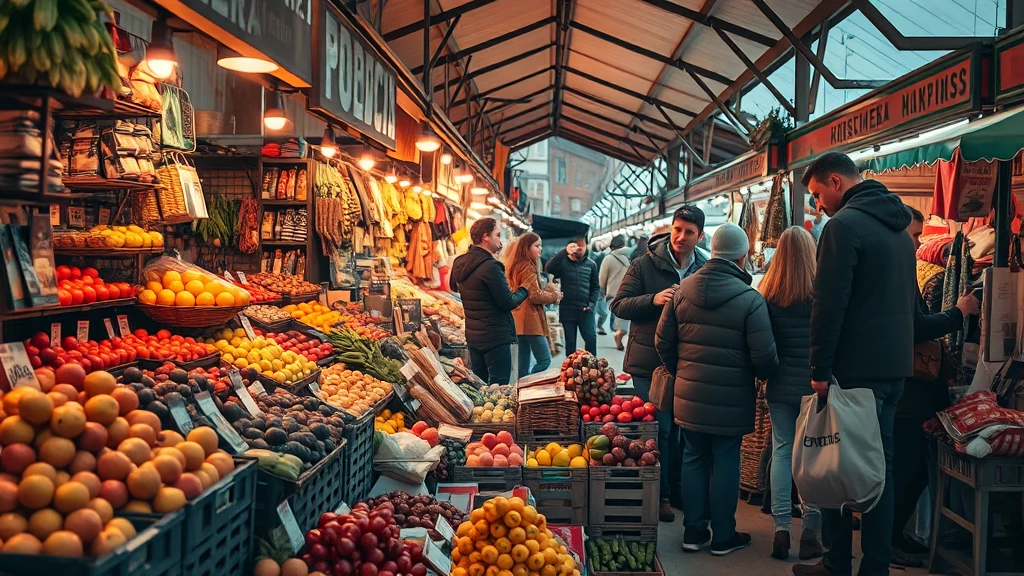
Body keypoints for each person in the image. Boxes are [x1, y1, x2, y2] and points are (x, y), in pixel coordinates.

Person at [793, 152, 917, 576]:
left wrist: (819, 371)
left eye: (817, 194)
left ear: (835, 181)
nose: (818, 205)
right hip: (894, 369)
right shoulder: (901, 231)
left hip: (854, 370)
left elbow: (828, 308)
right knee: (880, 470)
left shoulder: (842, 227)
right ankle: (875, 567)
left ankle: (836, 564)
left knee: (837, 465)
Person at [655, 222, 778, 556]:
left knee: (693, 458)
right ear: (742, 256)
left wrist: (681, 372)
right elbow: (765, 356)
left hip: (689, 397)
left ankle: (693, 533)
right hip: (732, 397)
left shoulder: (681, 290)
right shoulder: (750, 299)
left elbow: (662, 341)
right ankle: (723, 535)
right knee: (725, 460)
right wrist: (754, 376)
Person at [890, 207, 979, 568]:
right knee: (908, 472)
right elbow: (915, 327)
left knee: (911, 472)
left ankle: (895, 537)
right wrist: (959, 312)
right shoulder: (898, 274)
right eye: (914, 235)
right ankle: (891, 540)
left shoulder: (904, 271)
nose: (919, 242)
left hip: (912, 391)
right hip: (908, 392)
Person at [611, 206, 708, 522]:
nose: (681, 237)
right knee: (661, 429)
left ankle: (677, 488)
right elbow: (619, 305)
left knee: (683, 430)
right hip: (649, 363)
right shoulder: (643, 265)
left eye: (688, 232)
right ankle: (661, 494)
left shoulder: (704, 268)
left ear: (699, 236)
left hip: (688, 362)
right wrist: (653, 300)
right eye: (677, 229)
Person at [757, 226, 823, 561]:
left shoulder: (767, 293)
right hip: (814, 388)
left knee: (782, 452)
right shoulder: (821, 292)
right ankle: (811, 524)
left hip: (780, 385)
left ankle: (781, 529)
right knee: (812, 455)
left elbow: (763, 346)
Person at [450, 218, 528, 385]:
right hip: (495, 338)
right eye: (497, 235)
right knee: (499, 387)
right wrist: (524, 290)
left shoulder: (459, 262)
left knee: (480, 385)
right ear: (486, 237)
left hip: (473, 337)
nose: (500, 240)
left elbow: (454, 287)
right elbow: (508, 302)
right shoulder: (491, 266)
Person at [505, 233, 563, 376]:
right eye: (537, 246)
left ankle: (521, 390)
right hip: (530, 319)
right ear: (526, 248)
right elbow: (534, 295)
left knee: (523, 362)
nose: (540, 249)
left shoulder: (517, 265)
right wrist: (554, 295)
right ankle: (528, 385)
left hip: (519, 318)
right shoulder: (528, 267)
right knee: (544, 360)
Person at [545, 237, 600, 355]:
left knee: (591, 339)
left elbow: (596, 287)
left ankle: (592, 369)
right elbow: (548, 268)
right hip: (567, 310)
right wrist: (564, 252)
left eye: (582, 246)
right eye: (576, 246)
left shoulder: (591, 265)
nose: (580, 248)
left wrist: (591, 305)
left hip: (586, 310)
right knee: (570, 344)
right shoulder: (563, 263)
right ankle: (570, 371)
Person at [600, 235, 632, 351]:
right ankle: (619, 332)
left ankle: (618, 333)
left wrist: (603, 290)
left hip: (613, 294)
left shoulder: (608, 258)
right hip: (630, 292)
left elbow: (602, 278)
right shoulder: (632, 256)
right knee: (625, 317)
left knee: (620, 315)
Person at [591, 242, 610, 335]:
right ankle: (595, 327)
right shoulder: (600, 257)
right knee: (594, 310)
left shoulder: (604, 257)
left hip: (600, 287)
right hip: (596, 286)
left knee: (603, 312)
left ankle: (599, 326)